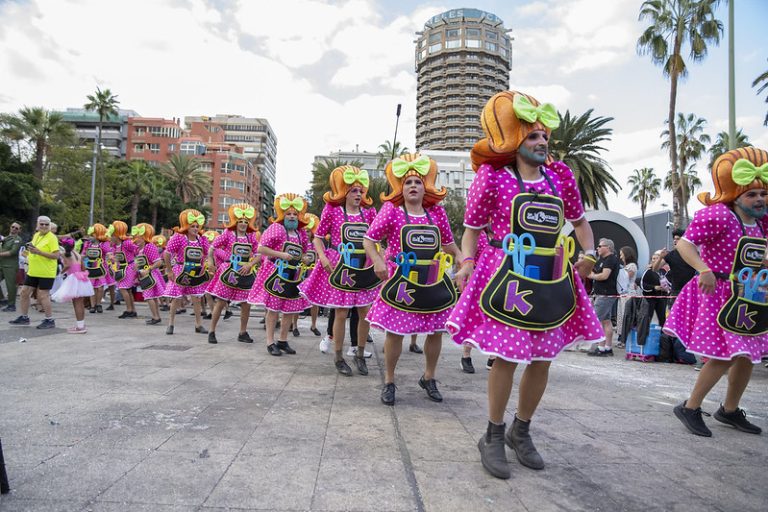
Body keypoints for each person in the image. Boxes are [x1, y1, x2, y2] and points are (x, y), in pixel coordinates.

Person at [448, 90, 601, 479]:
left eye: (543, 135)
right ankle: (493, 434)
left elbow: (581, 224)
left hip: (551, 274)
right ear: (515, 139)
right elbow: (471, 232)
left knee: (543, 358)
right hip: (506, 276)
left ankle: (522, 430)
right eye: (532, 136)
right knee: (509, 356)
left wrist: (589, 255)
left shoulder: (561, 176)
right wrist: (467, 262)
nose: (541, 141)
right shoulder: (493, 177)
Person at [666, 147, 768, 437]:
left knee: (747, 356)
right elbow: (684, 245)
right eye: (752, 194)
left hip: (751, 295)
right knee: (724, 355)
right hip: (719, 293)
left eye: (763, 193)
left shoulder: (762, 222)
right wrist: (703, 270)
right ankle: (690, 407)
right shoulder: (718, 216)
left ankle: (730, 410)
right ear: (735, 194)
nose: (759, 198)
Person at [363, 153, 464, 405]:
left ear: (425, 186)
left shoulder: (437, 213)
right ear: (401, 187)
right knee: (395, 333)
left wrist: (463, 258)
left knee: (436, 332)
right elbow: (368, 239)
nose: (413, 186)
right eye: (408, 182)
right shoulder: (392, 211)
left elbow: (449, 242)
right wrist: (377, 260)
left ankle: (429, 378)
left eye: (418, 182)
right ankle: (389, 381)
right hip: (401, 283)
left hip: (432, 280)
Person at [300, 165, 380, 376]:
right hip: (339, 266)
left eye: (360, 190)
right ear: (344, 191)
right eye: (353, 190)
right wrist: (323, 257)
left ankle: (360, 354)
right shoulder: (332, 210)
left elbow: (376, 237)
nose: (358, 194)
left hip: (363, 265)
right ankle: (338, 356)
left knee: (364, 312)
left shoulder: (370, 212)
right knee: (341, 312)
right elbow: (318, 237)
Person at [248, 193, 312, 356]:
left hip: (294, 274)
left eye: (294, 214)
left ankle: (283, 341)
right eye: (288, 214)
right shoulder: (276, 228)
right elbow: (261, 249)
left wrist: (305, 258)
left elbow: (305, 251)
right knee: (273, 309)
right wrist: (281, 254)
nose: (291, 216)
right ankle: (270, 342)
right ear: (282, 215)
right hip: (275, 274)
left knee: (290, 308)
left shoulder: (301, 233)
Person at [205, 203, 260, 344]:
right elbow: (212, 248)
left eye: (245, 222)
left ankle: (243, 332)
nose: (242, 224)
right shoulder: (227, 234)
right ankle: (212, 331)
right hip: (228, 272)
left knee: (246, 304)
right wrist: (210, 262)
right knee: (221, 301)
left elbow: (259, 253)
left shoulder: (252, 236)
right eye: (240, 221)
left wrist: (250, 264)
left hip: (245, 272)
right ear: (235, 221)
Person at [163, 209, 211, 335]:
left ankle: (198, 325)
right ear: (186, 226)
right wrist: (169, 270)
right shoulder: (179, 237)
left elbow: (207, 254)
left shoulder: (202, 240)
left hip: (196, 271)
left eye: (197, 226)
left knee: (196, 299)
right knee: (176, 298)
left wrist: (206, 265)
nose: (195, 228)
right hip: (180, 270)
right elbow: (167, 254)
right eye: (192, 226)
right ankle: (171, 324)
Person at [9, 216, 61, 329]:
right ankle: (24, 317)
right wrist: (27, 254)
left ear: (49, 225)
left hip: (46, 272)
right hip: (33, 271)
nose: (44, 226)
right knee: (24, 292)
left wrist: (39, 252)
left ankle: (49, 320)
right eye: (41, 224)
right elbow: (32, 248)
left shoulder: (52, 238)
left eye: (46, 224)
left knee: (43, 295)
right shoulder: (37, 235)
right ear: (37, 225)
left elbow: (56, 255)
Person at [50, 237, 94, 333]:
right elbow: (83, 267)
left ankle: (80, 327)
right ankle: (81, 325)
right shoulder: (77, 254)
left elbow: (67, 266)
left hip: (73, 279)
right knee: (80, 303)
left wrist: (60, 273)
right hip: (81, 278)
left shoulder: (65, 254)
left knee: (77, 303)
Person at [587, 238, 621, 356]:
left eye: (600, 246)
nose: (598, 248)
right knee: (606, 321)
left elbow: (604, 276)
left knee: (596, 321)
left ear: (608, 247)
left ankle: (601, 348)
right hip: (604, 294)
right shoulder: (603, 259)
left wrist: (591, 276)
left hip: (606, 294)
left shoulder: (611, 259)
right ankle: (607, 347)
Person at [132, 223, 165, 325]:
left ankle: (155, 317)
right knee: (152, 297)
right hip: (145, 275)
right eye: (136, 237)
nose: (136, 240)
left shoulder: (149, 247)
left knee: (149, 297)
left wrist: (148, 269)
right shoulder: (139, 249)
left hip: (150, 275)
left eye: (139, 237)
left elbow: (159, 262)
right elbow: (139, 262)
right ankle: (156, 316)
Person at [108, 221, 139, 319]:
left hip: (130, 267)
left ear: (117, 235)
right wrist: (112, 259)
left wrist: (138, 262)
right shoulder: (114, 246)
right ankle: (132, 310)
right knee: (128, 290)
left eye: (112, 235)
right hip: (121, 268)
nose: (110, 237)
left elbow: (138, 249)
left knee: (123, 288)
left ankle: (129, 310)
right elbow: (116, 258)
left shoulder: (126, 243)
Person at [82, 223, 112, 313]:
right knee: (92, 287)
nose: (90, 237)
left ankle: (98, 304)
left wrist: (112, 259)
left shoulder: (104, 244)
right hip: (91, 268)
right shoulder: (87, 244)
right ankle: (92, 305)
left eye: (92, 235)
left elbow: (109, 253)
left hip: (102, 268)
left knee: (100, 287)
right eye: (90, 235)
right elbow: (83, 254)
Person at [616, 246, 639, 347]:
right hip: (623, 294)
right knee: (621, 316)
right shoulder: (625, 266)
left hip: (629, 294)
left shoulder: (632, 266)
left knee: (627, 316)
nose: (621, 257)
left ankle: (625, 339)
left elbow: (625, 278)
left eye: (622, 254)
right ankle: (621, 337)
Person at [640, 250, 669, 327]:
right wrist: (654, 288)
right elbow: (643, 285)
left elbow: (668, 283)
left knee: (662, 319)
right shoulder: (648, 272)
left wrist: (666, 290)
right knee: (647, 318)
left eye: (657, 258)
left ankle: (663, 337)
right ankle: (644, 335)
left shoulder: (663, 272)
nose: (655, 260)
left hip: (661, 298)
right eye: (653, 258)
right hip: (650, 299)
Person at [0, 221, 23, 312]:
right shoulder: (5, 238)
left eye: (16, 228)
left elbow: (12, 252)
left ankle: (11, 305)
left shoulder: (17, 239)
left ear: (19, 230)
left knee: (11, 286)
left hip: (10, 266)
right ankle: (2, 299)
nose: (14, 229)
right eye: (13, 227)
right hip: (2, 264)